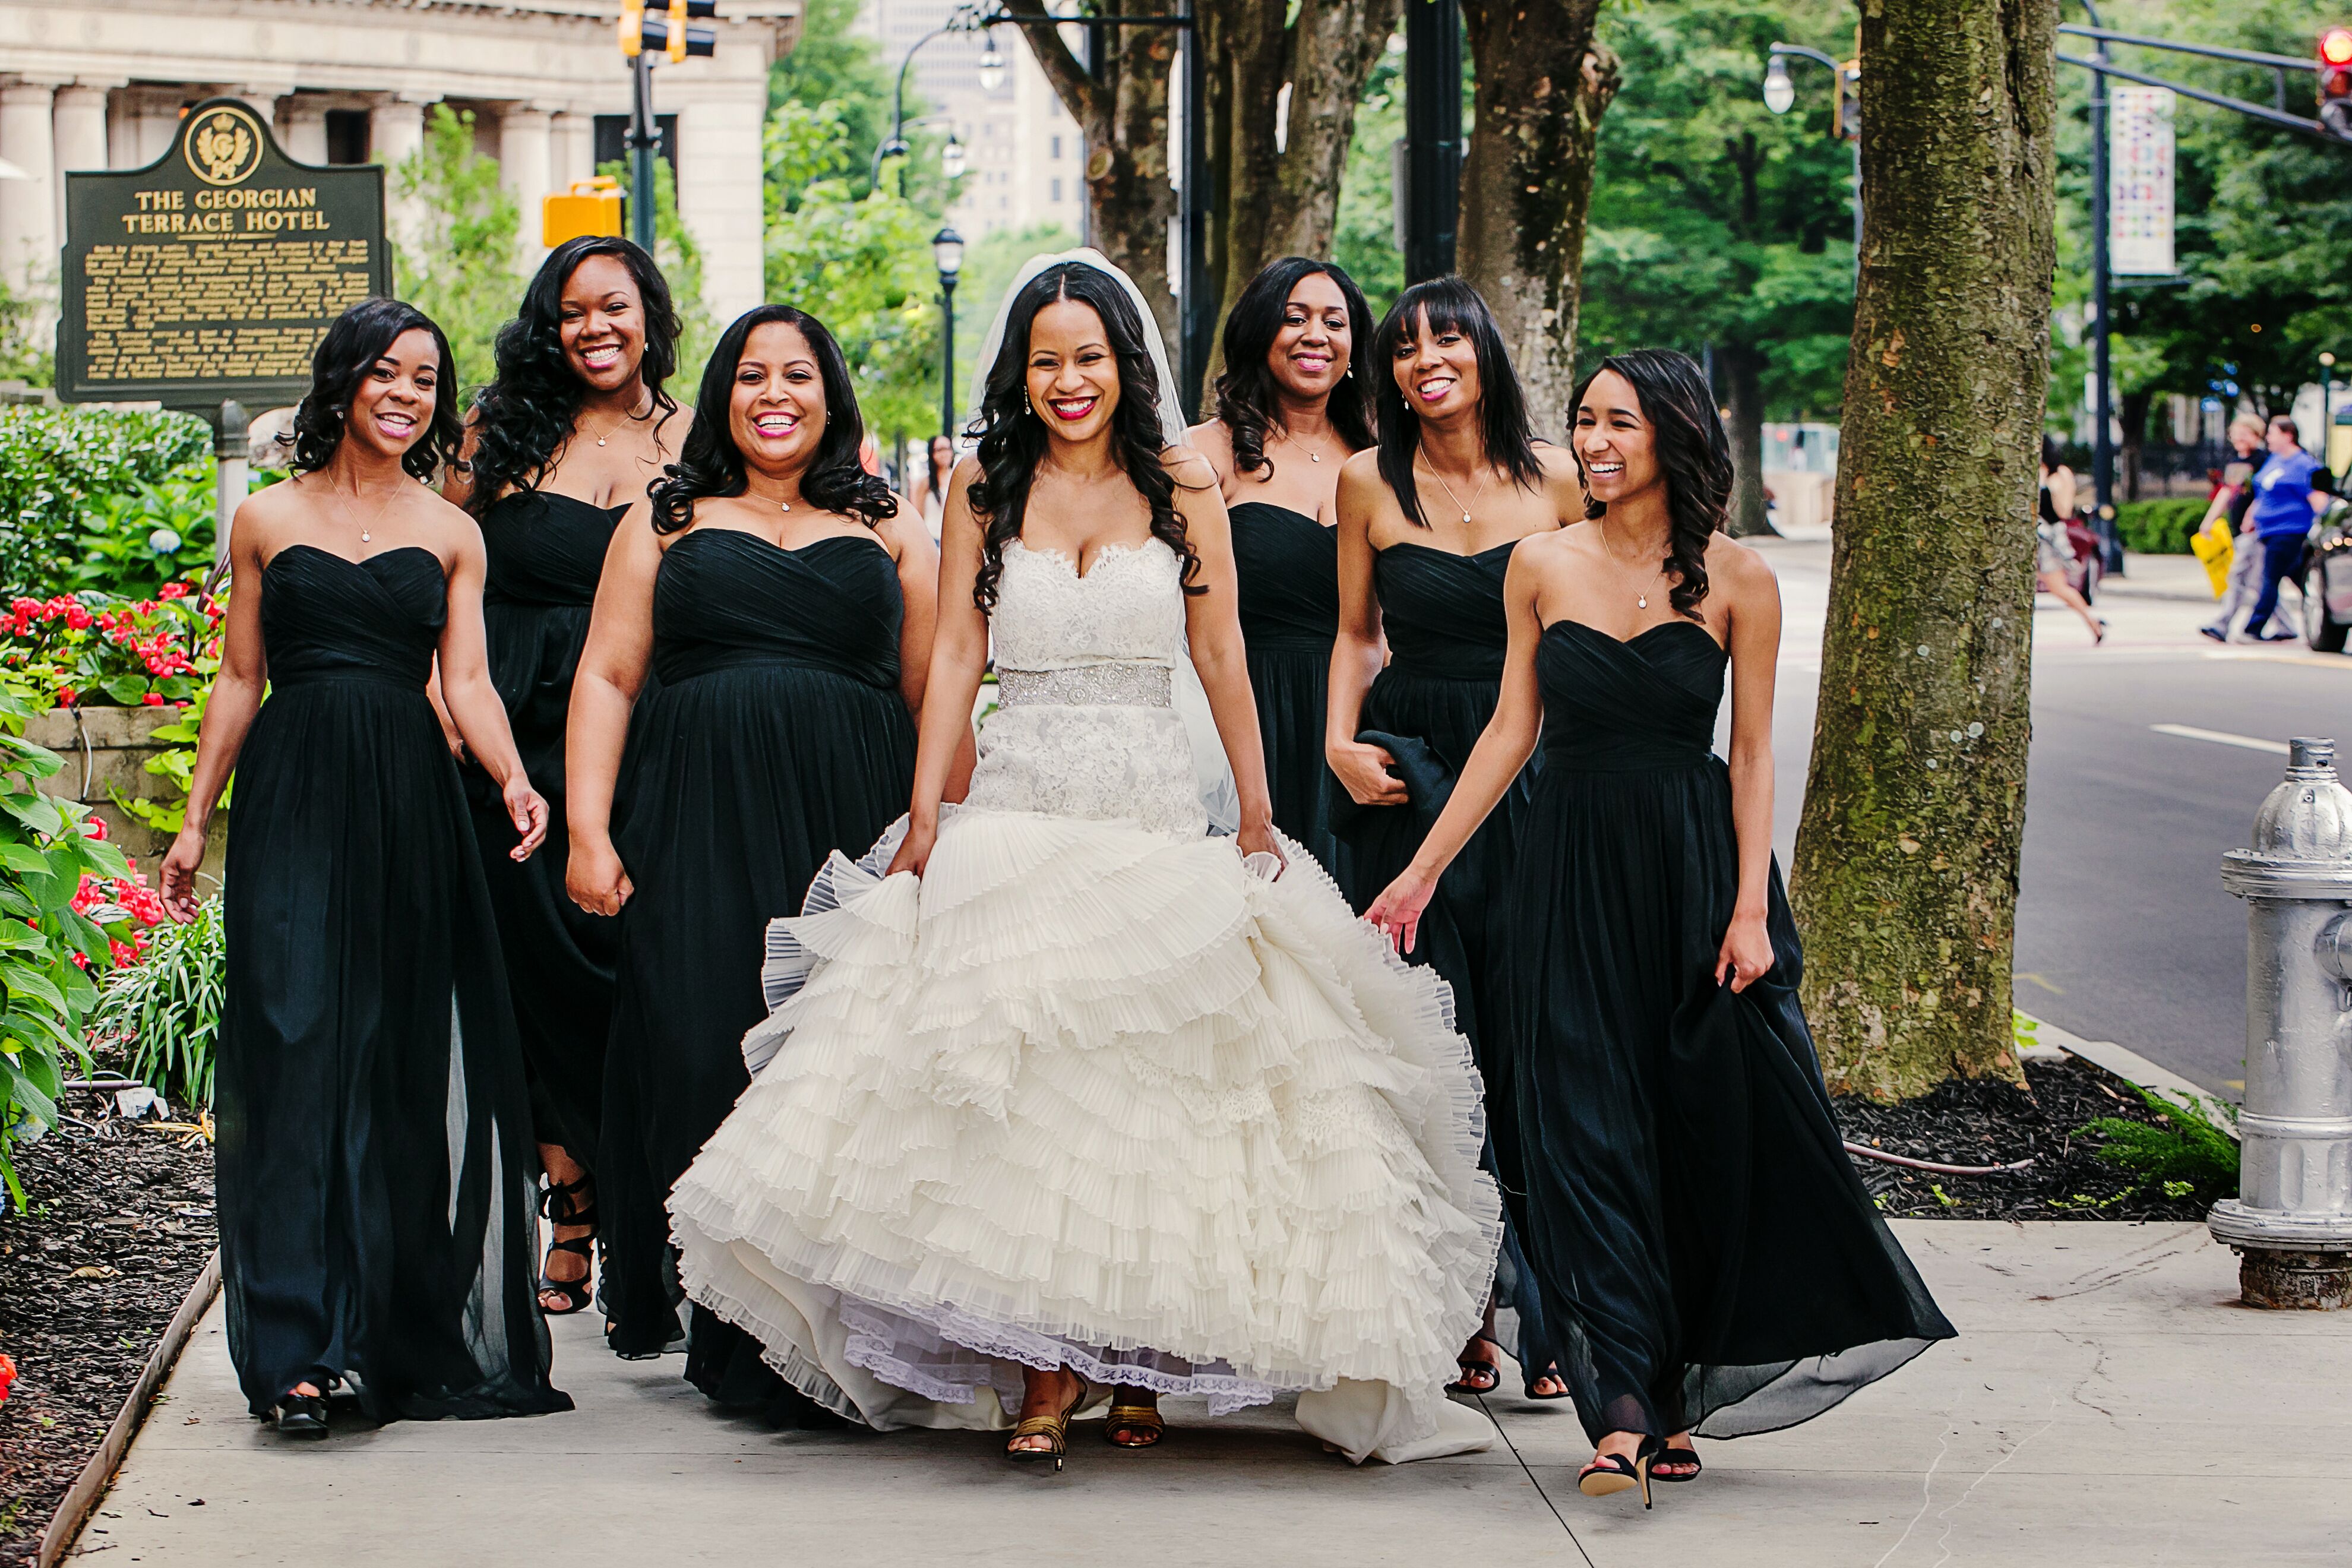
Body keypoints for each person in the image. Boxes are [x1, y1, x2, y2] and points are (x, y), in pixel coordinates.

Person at [665, 252, 1500, 1469]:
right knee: (1028, 1105)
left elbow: (1219, 655)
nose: (1069, 380)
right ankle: (1045, 1374)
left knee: (1157, 1101)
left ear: (1124, 366)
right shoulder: (979, 489)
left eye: (1090, 358)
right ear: (1025, 372)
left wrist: (1258, 812)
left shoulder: (1182, 486)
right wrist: (928, 810)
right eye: (1047, 360)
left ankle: (1144, 1358)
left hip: (1152, 807)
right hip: (1022, 799)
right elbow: (954, 652)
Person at [1369, 349, 1955, 1509]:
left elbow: (1747, 758)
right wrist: (1422, 873)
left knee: (1709, 1125)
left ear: (1674, 437)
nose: (1591, 439)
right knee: (1584, 1132)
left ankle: (1679, 1381)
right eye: (1584, 420)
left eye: (1617, 422)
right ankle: (1625, 1409)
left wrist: (1749, 908)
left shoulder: (1740, 580)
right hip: (1569, 869)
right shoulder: (1540, 563)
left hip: (1694, 878)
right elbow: (1507, 733)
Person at [158, 298, 573, 1433]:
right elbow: (239, 678)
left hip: (409, 795)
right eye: (386, 372)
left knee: (392, 1053)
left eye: (426, 379)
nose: (406, 394)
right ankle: (295, 1345)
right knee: (296, 1044)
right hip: (294, 789)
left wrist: (513, 779)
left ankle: (379, 1338)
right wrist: (197, 819)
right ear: (343, 382)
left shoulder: (453, 531)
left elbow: (472, 683)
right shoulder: (265, 519)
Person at [564, 305, 951, 1417]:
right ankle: (728, 1322)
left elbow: (936, 690)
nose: (772, 394)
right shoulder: (668, 515)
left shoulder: (889, 522)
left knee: (837, 1061)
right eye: (749, 375)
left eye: (797, 375)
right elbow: (605, 676)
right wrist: (590, 828)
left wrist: (942, 827)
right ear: (722, 393)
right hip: (692, 815)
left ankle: (828, 1337)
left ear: (831, 394)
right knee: (697, 1046)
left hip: (851, 818)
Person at [1327, 276, 1583, 1401]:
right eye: (1404, 346)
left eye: (1449, 339)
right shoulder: (1365, 482)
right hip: (1418, 774)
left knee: (1541, 1037)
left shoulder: (1559, 481)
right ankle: (1465, 1310)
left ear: (1488, 352)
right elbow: (1353, 633)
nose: (1426, 358)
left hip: (1535, 779)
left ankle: (1556, 1311)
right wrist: (1339, 740)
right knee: (1435, 1043)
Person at [442, 235, 689, 1317]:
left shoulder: (700, 436)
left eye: (615, 307)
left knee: (640, 961)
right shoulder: (496, 435)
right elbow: (425, 562)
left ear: (651, 317)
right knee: (530, 967)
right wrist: (434, 695)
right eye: (573, 311)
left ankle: (650, 1196)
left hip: (647, 732)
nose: (595, 328)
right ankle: (570, 1194)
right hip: (511, 740)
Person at [1189, 257, 1376, 880]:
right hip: (1248, 715)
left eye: (1335, 321)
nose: (1316, 335)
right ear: (1258, 331)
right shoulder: (1202, 453)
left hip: (1365, 725)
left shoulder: (1386, 460)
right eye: (1294, 318)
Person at [2240, 414, 2334, 641]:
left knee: (2269, 579)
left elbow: (2318, 498)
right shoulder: (2274, 461)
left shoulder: (2304, 465)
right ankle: (2323, 610)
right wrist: (2251, 516)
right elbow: (2264, 492)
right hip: (2268, 531)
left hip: (2288, 531)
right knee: (2297, 575)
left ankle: (2253, 628)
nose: (2268, 438)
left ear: (2288, 436)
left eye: (2272, 433)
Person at [2199, 415, 2269, 643]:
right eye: (2235, 434)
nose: (2238, 439)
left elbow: (2265, 493)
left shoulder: (2264, 460)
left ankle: (2222, 624)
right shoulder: (2234, 461)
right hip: (2239, 529)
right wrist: (2209, 521)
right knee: (2259, 581)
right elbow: (2228, 491)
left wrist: (2253, 515)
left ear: (2256, 435)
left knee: (2238, 576)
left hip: (2257, 528)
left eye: (2244, 434)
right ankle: (2286, 624)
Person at [2035, 437, 2106, 644]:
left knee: (2058, 587)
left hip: (2048, 537)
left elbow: (2064, 511)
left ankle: (2093, 622)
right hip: (2030, 536)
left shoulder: (2061, 473)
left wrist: (2054, 489)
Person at [913, 432, 956, 537]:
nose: (945, 453)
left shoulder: (956, 478)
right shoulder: (925, 482)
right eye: (939, 450)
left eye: (948, 448)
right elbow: (917, 514)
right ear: (932, 454)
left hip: (953, 539)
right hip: (932, 538)